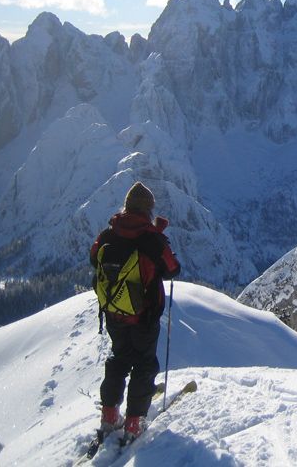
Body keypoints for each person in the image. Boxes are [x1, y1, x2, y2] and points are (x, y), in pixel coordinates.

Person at [90, 181, 181, 443]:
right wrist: (158, 235)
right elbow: (172, 268)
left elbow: (93, 258)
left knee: (118, 359)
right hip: (144, 315)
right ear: (148, 210)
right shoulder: (151, 239)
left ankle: (109, 416)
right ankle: (134, 423)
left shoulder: (108, 234)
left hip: (114, 312)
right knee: (143, 364)